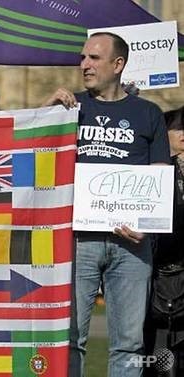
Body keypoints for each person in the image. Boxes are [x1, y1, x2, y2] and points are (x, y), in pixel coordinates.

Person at [43, 32, 170, 377]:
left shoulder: (149, 113)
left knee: (129, 343)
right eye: (83, 57)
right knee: (68, 338)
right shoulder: (68, 109)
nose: (84, 64)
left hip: (130, 243)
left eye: (94, 58)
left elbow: (159, 177)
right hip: (76, 242)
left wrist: (147, 224)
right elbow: (29, 151)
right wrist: (46, 109)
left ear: (118, 65)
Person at [144, 105, 184, 377]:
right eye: (178, 128)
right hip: (154, 268)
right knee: (153, 351)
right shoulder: (154, 170)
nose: (183, 135)